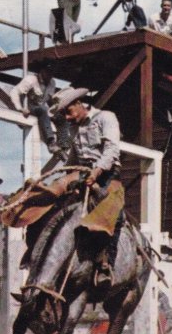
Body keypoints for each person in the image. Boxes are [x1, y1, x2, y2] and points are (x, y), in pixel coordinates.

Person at [53, 87, 123, 288]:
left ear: (79, 104)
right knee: (57, 207)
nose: (67, 118)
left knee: (112, 214)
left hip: (108, 173)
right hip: (83, 174)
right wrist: (67, 178)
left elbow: (112, 150)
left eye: (68, 112)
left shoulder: (106, 118)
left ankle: (105, 264)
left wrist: (97, 172)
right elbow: (74, 159)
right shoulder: (73, 129)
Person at [9, 61, 64, 153]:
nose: (50, 74)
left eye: (52, 72)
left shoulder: (52, 83)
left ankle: (63, 142)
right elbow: (14, 92)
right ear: (42, 71)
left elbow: (50, 100)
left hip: (41, 109)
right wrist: (20, 108)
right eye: (48, 71)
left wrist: (58, 110)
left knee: (60, 116)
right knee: (43, 109)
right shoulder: (31, 80)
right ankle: (51, 142)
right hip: (30, 108)